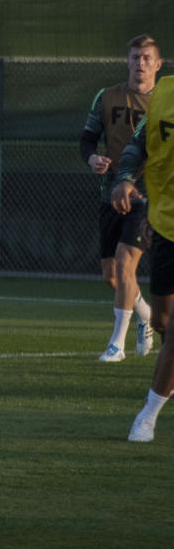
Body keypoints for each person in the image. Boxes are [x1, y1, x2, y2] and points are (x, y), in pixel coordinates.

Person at [81, 35, 160, 362]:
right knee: (111, 275)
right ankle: (146, 315)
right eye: (134, 58)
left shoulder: (164, 103)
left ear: (158, 64)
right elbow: (86, 139)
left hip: (147, 197)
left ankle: (116, 344)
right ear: (126, 62)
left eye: (146, 58)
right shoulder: (107, 97)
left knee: (127, 263)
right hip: (110, 195)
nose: (139, 64)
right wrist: (92, 159)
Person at [110, 54, 173, 442]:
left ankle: (147, 416)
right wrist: (126, 178)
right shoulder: (164, 93)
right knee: (164, 322)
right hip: (167, 225)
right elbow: (139, 145)